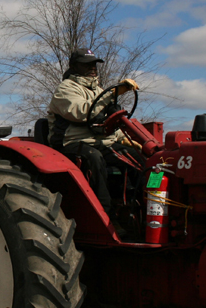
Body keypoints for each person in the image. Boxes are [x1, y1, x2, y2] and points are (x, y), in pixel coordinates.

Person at [47, 48, 145, 238]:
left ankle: (139, 211)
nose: (93, 68)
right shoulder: (65, 89)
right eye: (87, 64)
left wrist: (123, 139)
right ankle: (107, 218)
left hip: (99, 141)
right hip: (72, 143)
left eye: (94, 64)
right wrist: (114, 93)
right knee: (94, 158)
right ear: (75, 66)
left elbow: (108, 122)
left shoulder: (98, 90)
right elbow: (83, 112)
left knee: (134, 159)